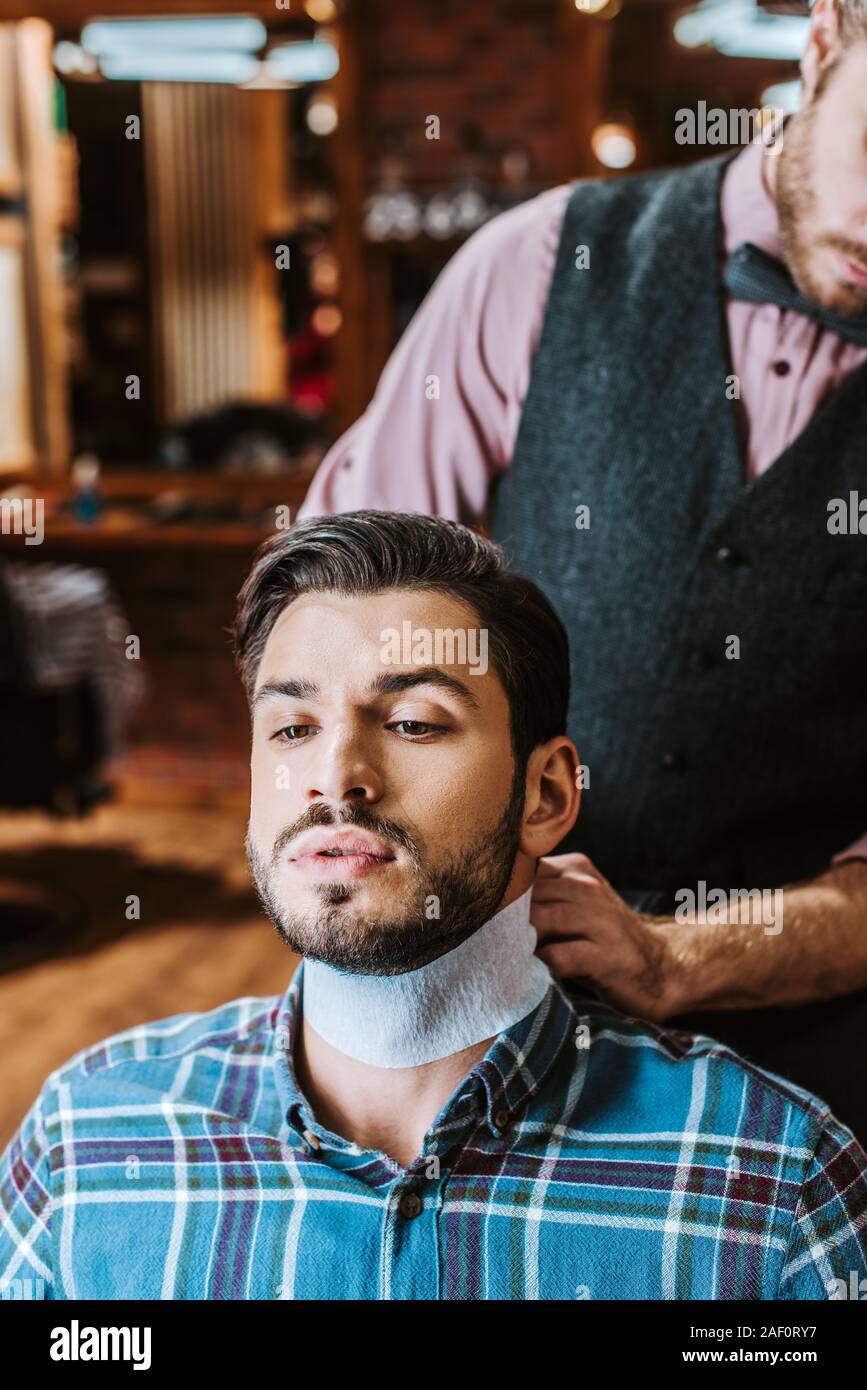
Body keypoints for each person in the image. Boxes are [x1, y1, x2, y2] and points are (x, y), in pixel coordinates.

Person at [2, 511, 865, 1301]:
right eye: (292, 728)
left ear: (546, 795)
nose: (335, 774)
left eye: (414, 722)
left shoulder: (770, 1187)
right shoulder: (85, 1147)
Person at [295, 0, 867, 1142]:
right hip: (475, 1026)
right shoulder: (540, 262)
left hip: (820, 1074)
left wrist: (682, 954)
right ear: (826, 38)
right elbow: (332, 626)